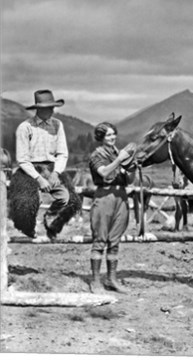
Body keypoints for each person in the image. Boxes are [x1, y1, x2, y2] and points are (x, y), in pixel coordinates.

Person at [11, 89, 79, 239]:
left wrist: (56, 172)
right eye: (47, 108)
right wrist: (39, 178)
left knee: (69, 199)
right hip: (29, 168)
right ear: (38, 109)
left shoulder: (57, 125)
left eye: (52, 107)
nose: (51, 110)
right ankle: (28, 229)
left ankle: (51, 220)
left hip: (51, 167)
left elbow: (62, 153)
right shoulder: (25, 127)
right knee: (28, 200)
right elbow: (22, 158)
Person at [88, 122, 137, 294]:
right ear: (101, 137)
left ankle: (111, 279)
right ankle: (95, 281)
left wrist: (132, 165)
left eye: (113, 134)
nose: (112, 137)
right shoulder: (97, 155)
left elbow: (129, 181)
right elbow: (104, 172)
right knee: (100, 240)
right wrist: (119, 159)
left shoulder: (119, 153)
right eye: (108, 135)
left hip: (121, 196)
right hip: (104, 197)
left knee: (114, 241)